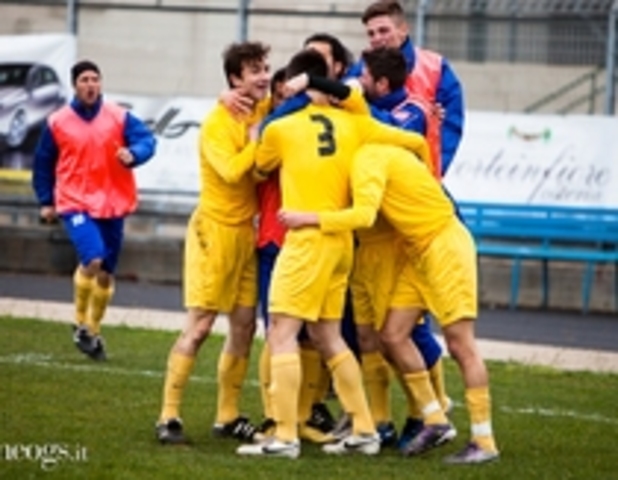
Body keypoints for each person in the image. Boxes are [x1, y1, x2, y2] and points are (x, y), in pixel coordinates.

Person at [236, 49, 430, 459]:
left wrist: (259, 128)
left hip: (306, 239)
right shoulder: (356, 123)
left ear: (296, 85)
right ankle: (365, 429)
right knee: (327, 335)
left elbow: (260, 167)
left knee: (281, 332)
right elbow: (413, 141)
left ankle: (284, 436)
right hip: (342, 242)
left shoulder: (281, 128)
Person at [279, 143, 500, 465]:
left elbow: (364, 215)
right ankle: (435, 420)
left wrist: (307, 218)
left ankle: (484, 441)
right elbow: (421, 149)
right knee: (392, 336)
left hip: (444, 246)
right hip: (417, 253)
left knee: (460, 345)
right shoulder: (380, 152)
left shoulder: (368, 158)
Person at [155, 42, 271, 445]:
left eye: (265, 68)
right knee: (200, 326)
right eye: (255, 70)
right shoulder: (217, 124)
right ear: (236, 79)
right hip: (214, 232)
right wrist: (255, 139)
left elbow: (293, 93)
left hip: (246, 233)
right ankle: (168, 416)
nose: (264, 76)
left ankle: (228, 416)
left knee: (244, 326)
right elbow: (232, 171)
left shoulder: (263, 107)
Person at [32, 60, 156, 361]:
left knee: (106, 274)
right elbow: (43, 163)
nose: (91, 85)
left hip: (112, 202)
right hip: (74, 201)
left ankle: (93, 329)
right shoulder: (58, 122)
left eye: (95, 79)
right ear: (75, 85)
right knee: (93, 257)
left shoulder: (118, 116)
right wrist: (46, 200)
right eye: (85, 80)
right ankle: (79, 322)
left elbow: (147, 140)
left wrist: (134, 154)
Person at [347, 0, 465, 177]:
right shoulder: (359, 72)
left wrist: (429, 174)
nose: (376, 38)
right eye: (371, 33)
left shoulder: (436, 68)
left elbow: (450, 128)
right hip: (369, 174)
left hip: (417, 177)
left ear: (403, 30)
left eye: (383, 30)